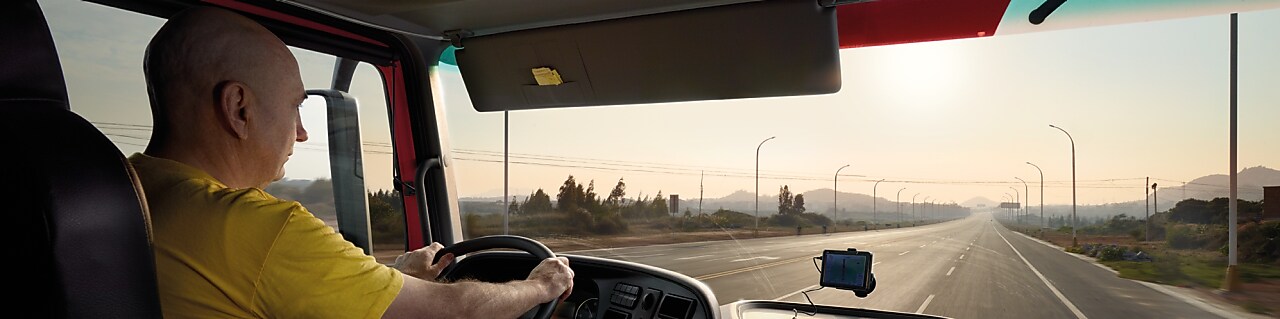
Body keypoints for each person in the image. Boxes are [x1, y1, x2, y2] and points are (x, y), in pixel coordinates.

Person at [130, 6, 573, 318]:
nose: (302, 132)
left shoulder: (126, 188)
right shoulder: (256, 227)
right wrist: (540, 286)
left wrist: (394, 276)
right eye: (295, 108)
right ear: (239, 108)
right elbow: (450, 312)